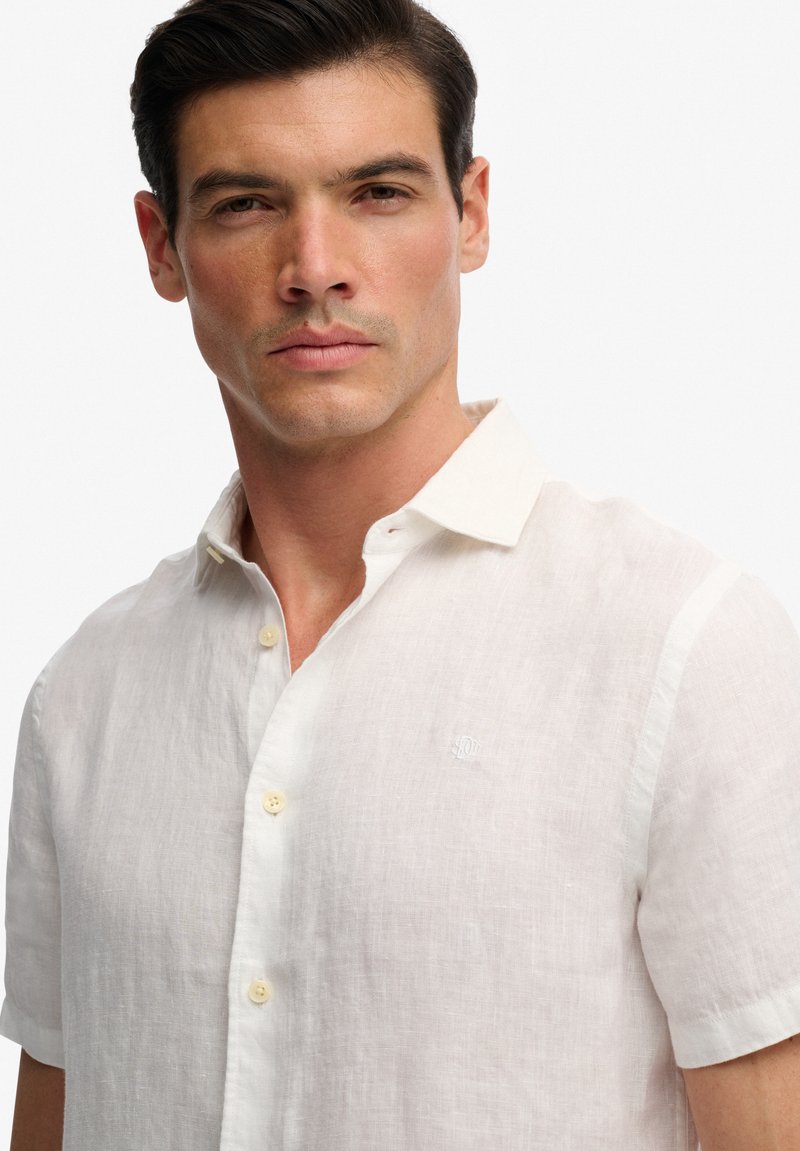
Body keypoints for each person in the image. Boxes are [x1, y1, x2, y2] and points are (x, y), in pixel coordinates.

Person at [3, 0, 800, 1147]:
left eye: (375, 193)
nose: (314, 269)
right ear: (161, 246)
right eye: (245, 204)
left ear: (470, 212)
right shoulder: (85, 695)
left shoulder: (680, 647)